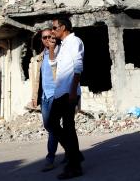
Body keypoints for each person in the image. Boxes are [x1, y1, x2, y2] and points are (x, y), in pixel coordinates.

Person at [47, 17, 85, 179]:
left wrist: (72, 90)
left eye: (54, 28)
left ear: (63, 27)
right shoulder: (62, 46)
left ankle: (74, 166)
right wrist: (51, 48)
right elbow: (53, 65)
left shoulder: (75, 41)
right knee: (51, 123)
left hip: (69, 92)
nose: (52, 31)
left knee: (69, 127)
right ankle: (74, 153)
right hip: (59, 92)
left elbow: (78, 66)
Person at [29, 29, 60, 172]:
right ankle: (71, 150)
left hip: (56, 94)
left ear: (54, 37)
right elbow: (37, 79)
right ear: (41, 40)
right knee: (48, 126)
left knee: (52, 128)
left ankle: (50, 159)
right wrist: (34, 97)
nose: (47, 39)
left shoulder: (60, 51)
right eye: (44, 37)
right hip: (44, 96)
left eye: (50, 36)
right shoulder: (39, 58)